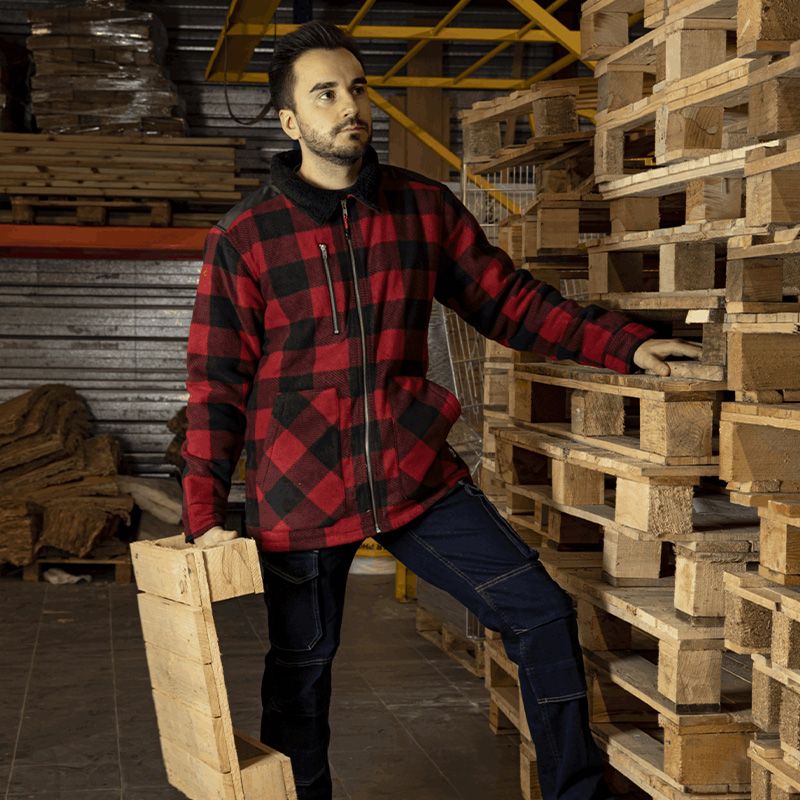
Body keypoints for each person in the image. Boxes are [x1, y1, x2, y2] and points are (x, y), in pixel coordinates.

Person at [180, 20, 701, 800]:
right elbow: (215, 383)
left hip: (411, 472)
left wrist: (624, 345)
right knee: (299, 681)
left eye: (358, 87)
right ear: (291, 123)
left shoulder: (423, 209)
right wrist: (203, 512)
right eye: (326, 93)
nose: (350, 105)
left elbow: (510, 302)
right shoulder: (246, 237)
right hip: (302, 490)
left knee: (543, 618)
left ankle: (575, 794)